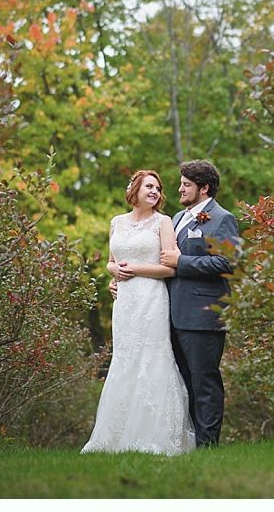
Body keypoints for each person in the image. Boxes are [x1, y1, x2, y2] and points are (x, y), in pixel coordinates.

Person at [81, 170, 196, 456]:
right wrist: (114, 271)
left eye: (158, 188)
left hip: (152, 298)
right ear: (134, 189)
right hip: (125, 302)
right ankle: (115, 437)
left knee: (153, 360)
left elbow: (170, 267)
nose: (155, 191)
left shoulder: (163, 222)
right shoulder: (116, 222)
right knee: (125, 359)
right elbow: (111, 262)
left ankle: (156, 436)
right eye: (149, 186)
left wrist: (134, 269)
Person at [159, 160, 240, 447]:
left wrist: (182, 262)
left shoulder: (222, 218)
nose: (179, 189)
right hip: (171, 314)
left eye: (186, 185)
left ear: (204, 188)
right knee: (182, 382)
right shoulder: (176, 217)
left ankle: (208, 445)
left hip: (204, 315)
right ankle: (188, 441)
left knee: (204, 382)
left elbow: (227, 262)